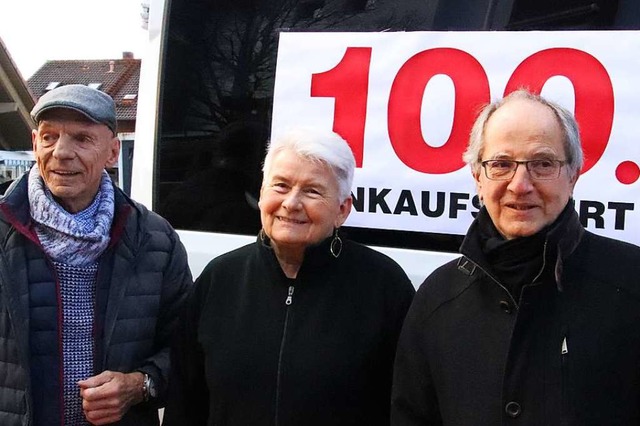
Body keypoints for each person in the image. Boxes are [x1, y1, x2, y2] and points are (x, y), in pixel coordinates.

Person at [390, 89, 640, 425]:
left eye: (542, 164)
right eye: (501, 164)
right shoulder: (437, 298)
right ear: (477, 177)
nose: (520, 184)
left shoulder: (631, 282)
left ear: (573, 176)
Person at [163, 127, 416, 425]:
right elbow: (185, 403)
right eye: (281, 186)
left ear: (342, 209)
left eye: (312, 191)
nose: (291, 203)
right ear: (261, 194)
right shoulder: (219, 279)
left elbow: (408, 407)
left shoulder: (384, 286)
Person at [0, 84, 192, 425]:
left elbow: (187, 349)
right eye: (49, 137)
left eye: (81, 138)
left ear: (113, 152)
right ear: (34, 144)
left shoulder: (154, 240)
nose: (61, 152)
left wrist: (139, 385)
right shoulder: (5, 230)